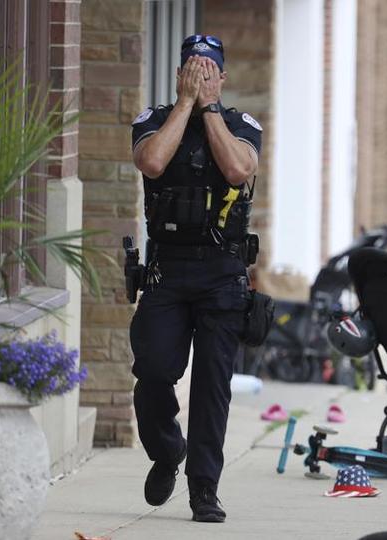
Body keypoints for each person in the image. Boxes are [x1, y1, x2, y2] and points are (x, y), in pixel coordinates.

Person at [128, 34, 262, 523]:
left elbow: (235, 168)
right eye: (193, 68)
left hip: (222, 271)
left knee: (212, 386)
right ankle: (168, 452)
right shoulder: (153, 120)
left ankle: (205, 488)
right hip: (169, 269)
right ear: (180, 73)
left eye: (210, 69)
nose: (202, 74)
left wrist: (207, 109)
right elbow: (153, 162)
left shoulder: (240, 125)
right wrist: (186, 103)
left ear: (222, 77)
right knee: (154, 371)